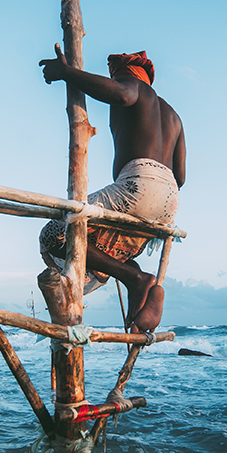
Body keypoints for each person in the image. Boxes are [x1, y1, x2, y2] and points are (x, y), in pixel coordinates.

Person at [39, 45, 186, 333]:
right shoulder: (173, 116)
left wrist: (68, 73)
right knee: (109, 242)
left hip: (138, 184)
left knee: (52, 234)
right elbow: (180, 175)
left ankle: (134, 278)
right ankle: (133, 281)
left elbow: (122, 94)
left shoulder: (135, 88)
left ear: (125, 75)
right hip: (169, 199)